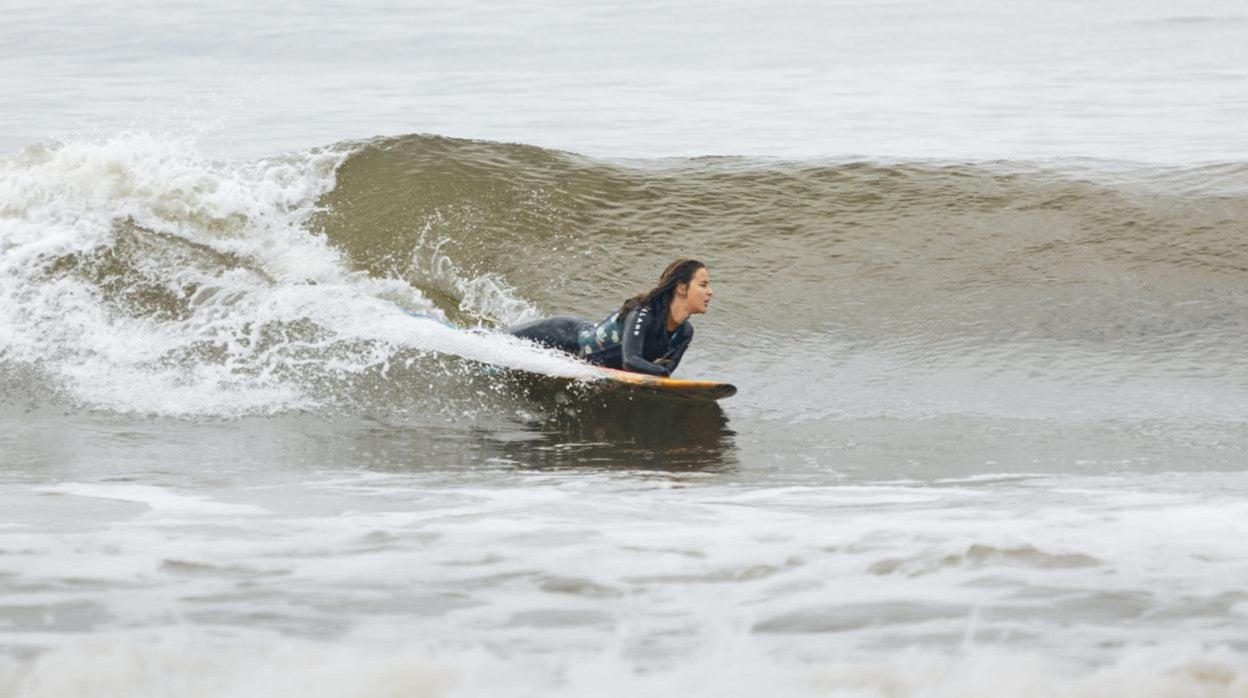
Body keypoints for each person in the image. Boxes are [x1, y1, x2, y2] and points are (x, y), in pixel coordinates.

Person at [507, 258, 713, 377]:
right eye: (703, 285)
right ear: (681, 288)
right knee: (496, 342)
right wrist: (661, 372)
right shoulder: (644, 313)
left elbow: (664, 372)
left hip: (585, 357)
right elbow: (631, 362)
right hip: (563, 335)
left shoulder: (684, 333)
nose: (710, 292)